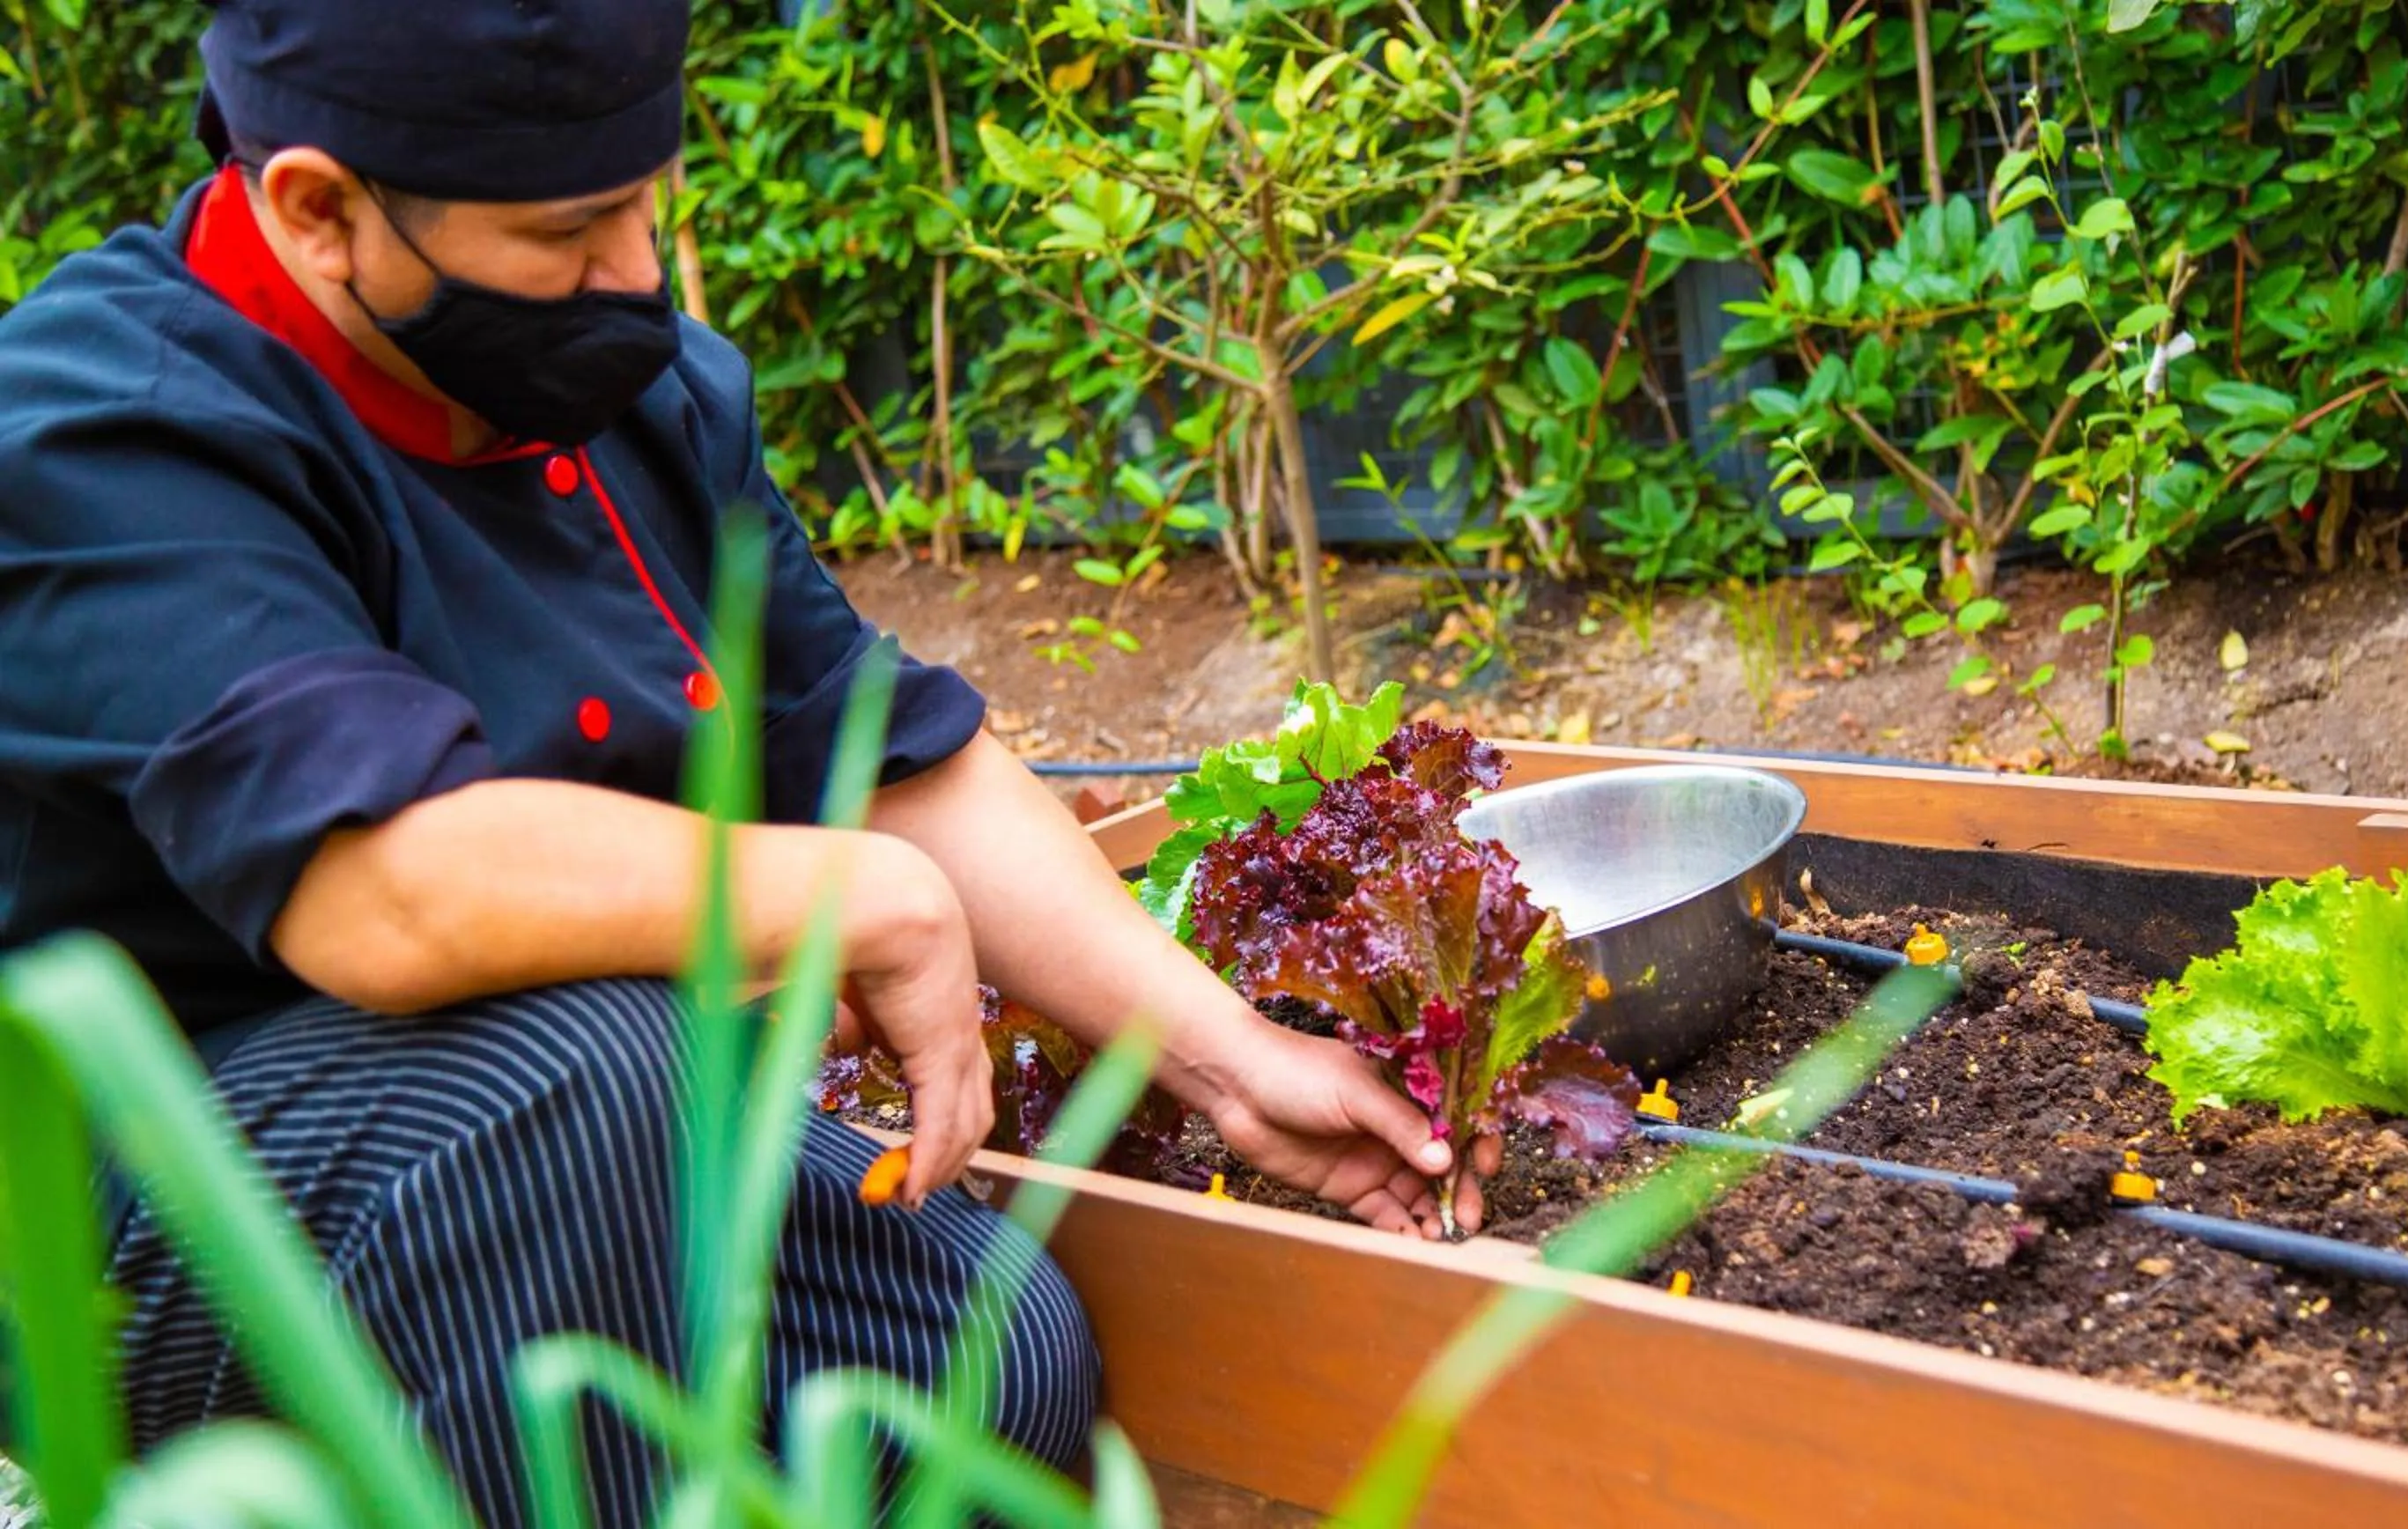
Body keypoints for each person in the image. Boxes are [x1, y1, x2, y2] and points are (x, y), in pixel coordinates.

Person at [0, 2, 1485, 1521]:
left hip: (582, 1138)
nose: (637, 272)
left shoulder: (620, 390)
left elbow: (876, 752)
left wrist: (1234, 1064)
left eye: (647, 200)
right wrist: (863, 898)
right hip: (141, 1209)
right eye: (571, 230)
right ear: (321, 212)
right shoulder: (117, 425)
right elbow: (385, 892)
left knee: (996, 1358)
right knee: (583, 1068)